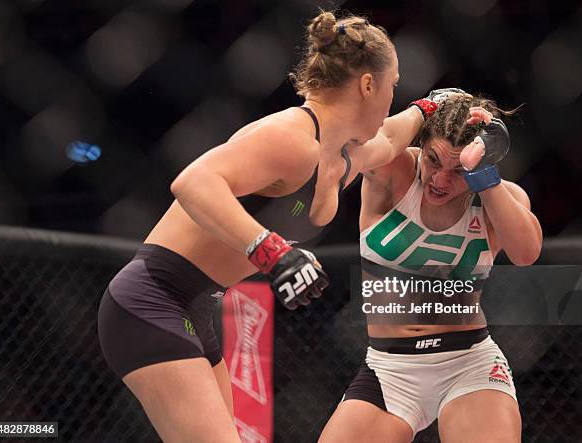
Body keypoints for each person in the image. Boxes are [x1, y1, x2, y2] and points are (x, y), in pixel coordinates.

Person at [97, 10, 429, 443]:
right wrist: (273, 250)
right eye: (394, 86)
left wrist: (433, 105)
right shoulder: (292, 135)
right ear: (368, 85)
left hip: (195, 307)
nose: (393, 97)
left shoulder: (338, 157)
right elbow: (193, 181)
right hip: (152, 300)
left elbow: (390, 138)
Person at [319, 93, 542, 442]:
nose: (440, 179)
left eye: (458, 171)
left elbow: (526, 252)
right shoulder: (394, 170)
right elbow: (350, 145)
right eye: (434, 159)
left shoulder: (498, 196)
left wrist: (484, 177)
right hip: (389, 369)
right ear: (422, 144)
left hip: (468, 363)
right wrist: (421, 111)